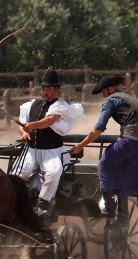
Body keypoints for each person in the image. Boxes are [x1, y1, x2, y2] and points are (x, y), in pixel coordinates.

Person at [69, 75, 138, 228]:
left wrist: (80, 146)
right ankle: (122, 218)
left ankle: (109, 209)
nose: (103, 95)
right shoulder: (129, 97)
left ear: (110, 89)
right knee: (121, 174)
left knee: (103, 165)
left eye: (103, 91)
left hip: (129, 141)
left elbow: (98, 129)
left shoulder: (110, 100)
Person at [15, 69, 84, 219]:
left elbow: (50, 120)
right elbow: (21, 124)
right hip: (32, 151)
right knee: (17, 175)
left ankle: (42, 204)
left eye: (48, 89)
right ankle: (15, 203)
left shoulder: (59, 106)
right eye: (43, 88)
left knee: (53, 173)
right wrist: (24, 133)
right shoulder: (31, 105)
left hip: (52, 152)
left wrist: (31, 126)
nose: (45, 91)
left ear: (57, 90)